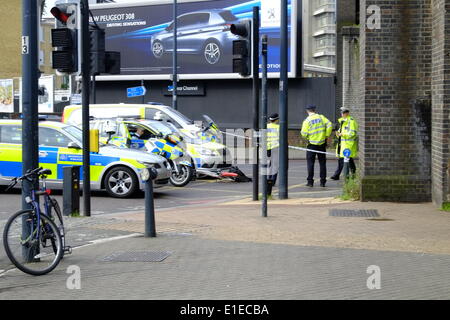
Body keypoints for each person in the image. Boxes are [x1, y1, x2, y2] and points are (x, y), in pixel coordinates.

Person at [301, 105, 332, 187]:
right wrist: (326, 135)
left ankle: (310, 182)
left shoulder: (307, 121)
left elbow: (303, 133)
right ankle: (322, 182)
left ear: (307, 111)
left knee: (310, 163)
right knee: (322, 163)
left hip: (311, 145)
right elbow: (329, 125)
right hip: (322, 144)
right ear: (314, 110)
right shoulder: (321, 117)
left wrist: (308, 137)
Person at [331, 107, 358, 180]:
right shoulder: (342, 121)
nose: (342, 114)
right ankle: (353, 174)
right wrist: (338, 133)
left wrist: (342, 134)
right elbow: (340, 132)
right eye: (341, 113)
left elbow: (352, 133)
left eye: (343, 113)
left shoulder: (351, 121)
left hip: (348, 144)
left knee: (346, 160)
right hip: (342, 144)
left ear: (347, 113)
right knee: (347, 160)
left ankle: (338, 175)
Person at [266, 113, 280, 197]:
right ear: (277, 119)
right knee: (275, 165)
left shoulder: (266, 127)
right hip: (276, 147)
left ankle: (268, 179)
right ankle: (273, 181)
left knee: (270, 164)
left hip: (267, 148)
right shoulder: (278, 127)